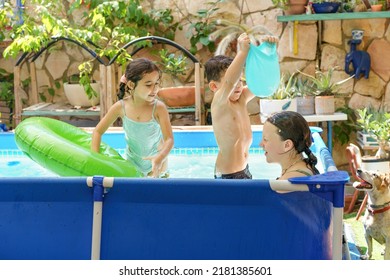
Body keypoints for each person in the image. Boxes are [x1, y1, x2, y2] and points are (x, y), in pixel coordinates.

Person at [205, 33, 278, 179]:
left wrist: (270, 51)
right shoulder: (220, 103)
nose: (238, 85)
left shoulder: (241, 99)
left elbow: (262, 82)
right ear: (214, 86)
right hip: (227, 175)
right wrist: (243, 52)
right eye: (235, 81)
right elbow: (229, 82)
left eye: (241, 80)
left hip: (245, 170)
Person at [91, 58, 174, 178]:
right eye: (148, 84)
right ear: (131, 84)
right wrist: (95, 158)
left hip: (159, 164)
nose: (154, 89)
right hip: (132, 164)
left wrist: (160, 158)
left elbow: (169, 139)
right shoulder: (121, 107)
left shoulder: (158, 108)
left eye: (156, 83)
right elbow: (98, 131)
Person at [260, 111, 320, 180]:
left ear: (287, 145)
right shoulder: (301, 167)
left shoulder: (289, 180)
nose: (261, 144)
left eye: (265, 139)